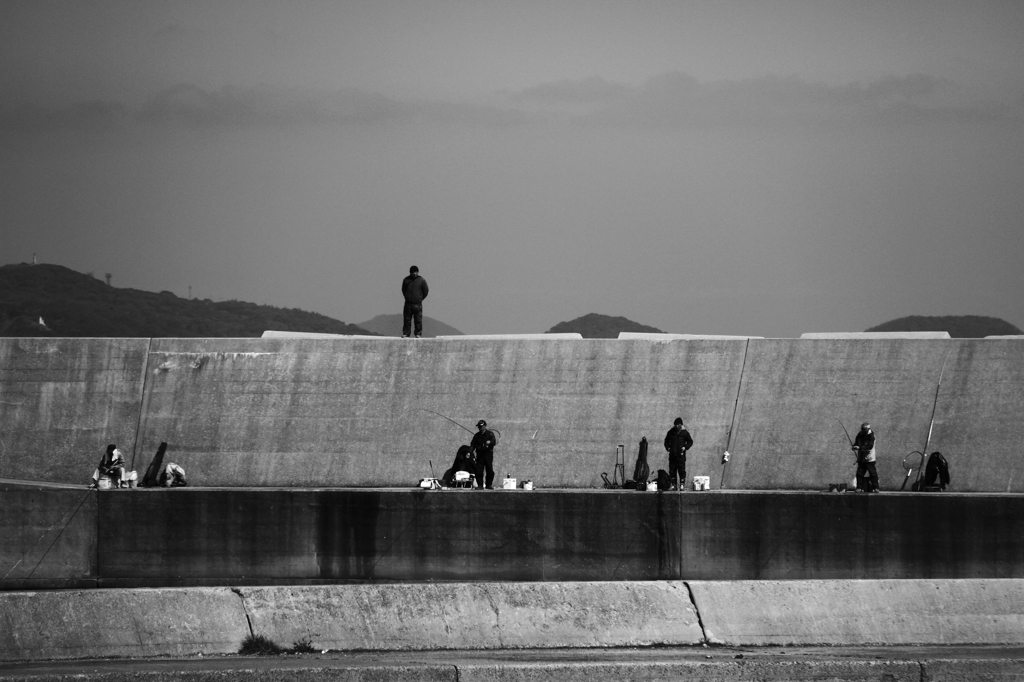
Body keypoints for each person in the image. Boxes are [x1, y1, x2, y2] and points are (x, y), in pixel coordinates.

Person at [664, 418, 693, 490]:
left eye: (678, 424)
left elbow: (690, 441)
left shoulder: (684, 432)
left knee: (681, 470)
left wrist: (685, 447)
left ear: (681, 425)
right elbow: (666, 441)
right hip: (672, 455)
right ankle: (674, 485)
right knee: (672, 470)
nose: (677, 426)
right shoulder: (670, 432)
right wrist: (668, 448)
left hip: (681, 455)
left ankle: (682, 485)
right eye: (676, 425)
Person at [401, 265, 429, 338]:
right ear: (410, 272)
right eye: (413, 272)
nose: (414, 273)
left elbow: (426, 291)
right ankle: (406, 333)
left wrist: (420, 298)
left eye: (416, 272)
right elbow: (403, 290)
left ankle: (418, 333)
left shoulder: (421, 280)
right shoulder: (406, 280)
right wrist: (407, 297)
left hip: (417, 304)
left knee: (418, 320)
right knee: (407, 319)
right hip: (408, 303)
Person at [852, 422, 879, 492]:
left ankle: (875, 488)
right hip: (861, 458)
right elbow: (857, 443)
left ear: (868, 429)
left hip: (869, 459)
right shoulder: (860, 434)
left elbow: (870, 446)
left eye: (864, 429)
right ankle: (859, 488)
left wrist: (859, 448)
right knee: (859, 473)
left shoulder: (871, 436)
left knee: (873, 473)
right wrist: (854, 446)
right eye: (862, 429)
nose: (862, 430)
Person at [471, 420, 497, 489]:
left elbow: (494, 442)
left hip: (488, 455)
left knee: (489, 470)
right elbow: (473, 445)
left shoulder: (490, 434)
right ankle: (480, 485)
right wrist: (469, 452)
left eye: (481, 427)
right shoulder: (477, 435)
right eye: (479, 427)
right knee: (479, 470)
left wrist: (490, 442)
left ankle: (489, 485)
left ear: (485, 426)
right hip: (480, 455)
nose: (479, 428)